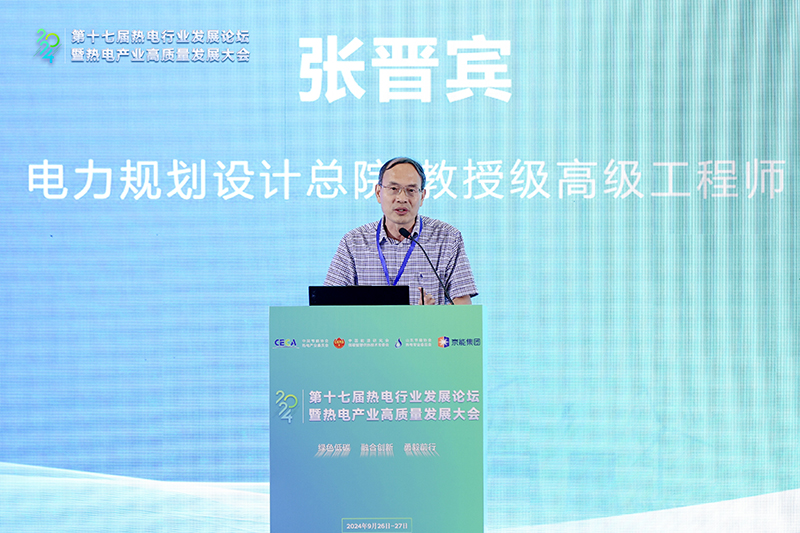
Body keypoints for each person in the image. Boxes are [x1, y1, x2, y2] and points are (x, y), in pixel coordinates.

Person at [324, 157, 477, 305]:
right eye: (394, 189)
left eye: (411, 190)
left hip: (428, 325)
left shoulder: (447, 238)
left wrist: (431, 316)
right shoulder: (353, 242)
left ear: (422, 196)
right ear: (378, 193)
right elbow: (328, 303)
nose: (402, 198)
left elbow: (462, 303)